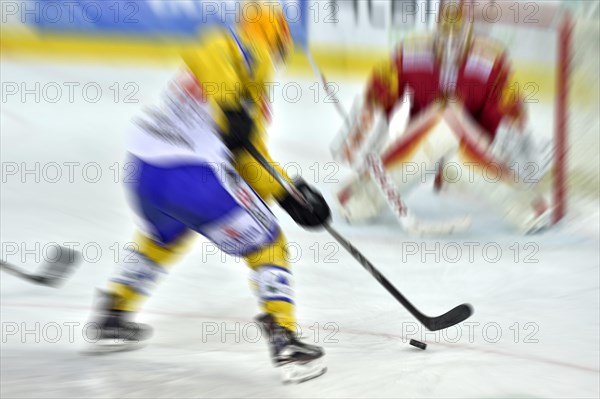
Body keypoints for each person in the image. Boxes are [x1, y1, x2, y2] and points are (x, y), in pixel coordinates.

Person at [86, 1, 329, 383]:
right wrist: (233, 105)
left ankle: (113, 312)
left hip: (144, 174)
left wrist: (289, 193)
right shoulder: (246, 54)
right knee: (268, 243)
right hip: (191, 176)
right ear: (279, 38)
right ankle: (285, 339)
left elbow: (246, 157)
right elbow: (210, 48)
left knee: (162, 237)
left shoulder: (215, 72)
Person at [335, 0, 553, 234]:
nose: (449, 41)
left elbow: (505, 121)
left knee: (450, 123)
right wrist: (361, 133)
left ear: (469, 29)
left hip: (469, 156)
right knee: (445, 119)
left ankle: (520, 204)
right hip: (422, 148)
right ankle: (363, 194)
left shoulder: (491, 62)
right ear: (436, 26)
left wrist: (519, 157)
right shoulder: (409, 53)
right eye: (444, 31)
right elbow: (378, 97)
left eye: (457, 33)